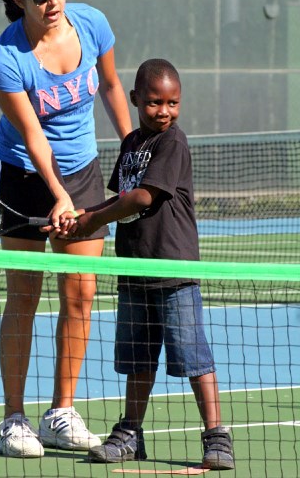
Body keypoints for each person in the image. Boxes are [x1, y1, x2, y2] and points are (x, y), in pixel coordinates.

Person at [0, 0, 132, 458]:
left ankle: (61, 413)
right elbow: (33, 138)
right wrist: (58, 196)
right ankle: (13, 419)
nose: (54, 1)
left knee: (80, 294)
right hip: (26, 176)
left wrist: (137, 153)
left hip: (85, 173)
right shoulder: (7, 58)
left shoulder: (92, 25)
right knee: (24, 296)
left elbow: (113, 86)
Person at [60, 58, 234, 470]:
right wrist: (80, 217)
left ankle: (216, 437)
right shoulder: (132, 143)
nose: (164, 111)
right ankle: (129, 434)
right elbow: (119, 195)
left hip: (173, 272)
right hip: (134, 271)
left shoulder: (172, 143)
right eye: (155, 102)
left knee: (194, 358)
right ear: (136, 99)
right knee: (138, 360)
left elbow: (142, 197)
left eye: (173, 103)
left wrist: (94, 219)